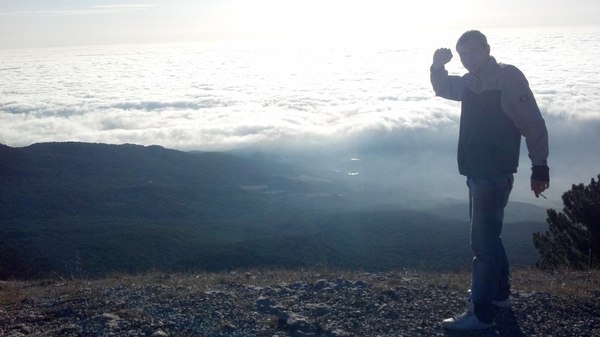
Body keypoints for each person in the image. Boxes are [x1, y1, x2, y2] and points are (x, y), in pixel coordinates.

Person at [430, 30, 550, 331]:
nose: (469, 59)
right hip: (477, 172)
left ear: (487, 49)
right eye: (463, 55)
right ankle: (499, 297)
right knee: (490, 238)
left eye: (473, 52)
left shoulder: (507, 78)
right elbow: (444, 87)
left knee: (482, 243)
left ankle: (480, 314)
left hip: (493, 174)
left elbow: (532, 123)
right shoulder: (471, 82)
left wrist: (540, 168)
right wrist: (436, 65)